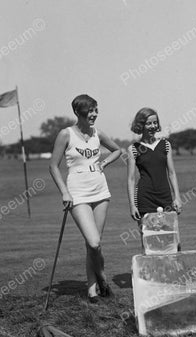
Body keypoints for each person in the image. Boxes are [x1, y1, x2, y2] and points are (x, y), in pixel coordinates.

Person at [49, 94, 122, 303]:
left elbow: (117, 150)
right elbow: (53, 166)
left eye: (95, 110)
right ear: (77, 112)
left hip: (101, 190)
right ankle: (103, 279)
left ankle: (92, 290)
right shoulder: (66, 134)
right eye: (89, 111)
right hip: (77, 193)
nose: (94, 115)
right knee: (93, 241)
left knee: (94, 246)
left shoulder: (98, 133)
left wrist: (104, 163)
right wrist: (64, 191)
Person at [126, 107, 182, 222]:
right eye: (148, 123)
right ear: (141, 125)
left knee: (169, 235)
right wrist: (132, 205)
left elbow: (171, 173)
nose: (153, 126)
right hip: (144, 198)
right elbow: (131, 179)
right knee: (148, 237)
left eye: (155, 123)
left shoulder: (165, 145)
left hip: (165, 196)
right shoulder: (133, 149)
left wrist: (177, 197)